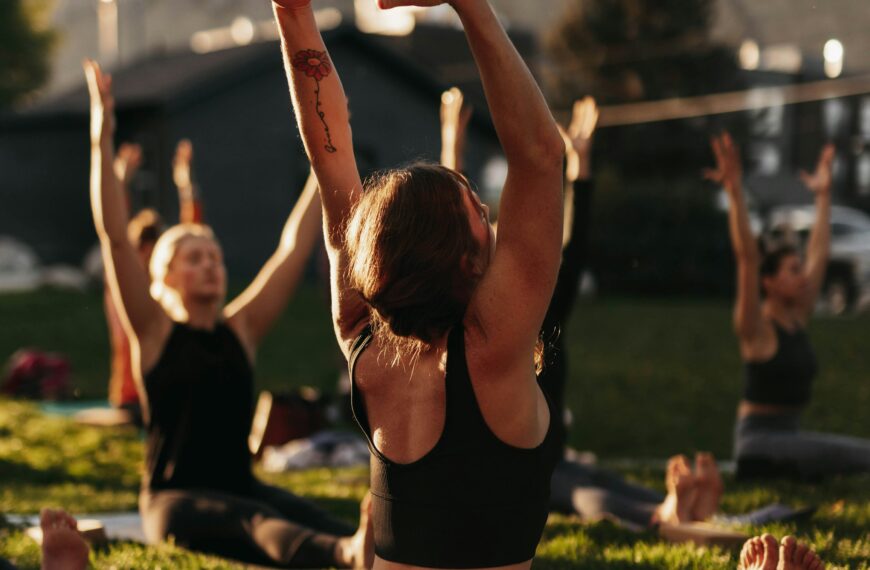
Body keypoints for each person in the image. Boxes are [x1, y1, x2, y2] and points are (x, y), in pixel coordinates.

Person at [273, 0, 565, 567]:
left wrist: (292, 13)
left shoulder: (361, 337)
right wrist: (470, 5)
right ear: (463, 260)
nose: (490, 213)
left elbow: (330, 159)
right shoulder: (492, 351)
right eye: (477, 209)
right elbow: (539, 155)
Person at [83, 58, 371, 568]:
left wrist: (330, 146)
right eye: (194, 258)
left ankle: (381, 552)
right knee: (256, 523)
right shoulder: (153, 331)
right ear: (165, 276)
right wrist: (101, 137)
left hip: (241, 485)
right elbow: (116, 238)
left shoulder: (241, 328)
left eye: (214, 257)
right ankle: (347, 558)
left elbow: (292, 248)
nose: (210, 265)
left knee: (308, 513)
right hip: (175, 500)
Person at [441, 90, 723, 529]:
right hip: (511, 467)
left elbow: (573, 248)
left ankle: (685, 506)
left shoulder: (543, 311)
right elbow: (449, 233)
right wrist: (452, 150)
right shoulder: (476, 321)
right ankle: (661, 514)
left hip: (554, 455)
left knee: (594, 478)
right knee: (576, 492)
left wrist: (581, 164)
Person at [705, 132, 870, 481]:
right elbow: (747, 258)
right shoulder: (756, 328)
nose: (803, 276)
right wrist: (735, 192)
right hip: (758, 443)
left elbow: (819, 254)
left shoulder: (797, 315)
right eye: (793, 271)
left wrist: (822, 196)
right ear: (769, 282)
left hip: (790, 436)